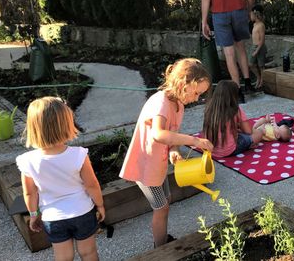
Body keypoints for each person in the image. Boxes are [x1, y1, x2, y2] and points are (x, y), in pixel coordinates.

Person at [119, 58, 214, 247]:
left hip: (157, 164)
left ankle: (162, 241)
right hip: (145, 166)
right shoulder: (161, 102)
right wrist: (194, 140)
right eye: (196, 92)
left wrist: (174, 149)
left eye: (200, 94)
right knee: (161, 207)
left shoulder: (178, 104)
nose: (196, 98)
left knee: (166, 200)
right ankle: (160, 249)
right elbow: (158, 134)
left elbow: (172, 134)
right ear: (182, 84)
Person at [16, 97, 105, 261]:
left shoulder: (26, 161)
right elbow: (92, 185)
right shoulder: (78, 154)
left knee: (63, 257)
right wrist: (100, 205)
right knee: (88, 252)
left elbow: (29, 193)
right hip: (82, 211)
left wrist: (34, 214)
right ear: (66, 124)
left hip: (53, 217)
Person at [201, 0, 256, 103]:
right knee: (240, 47)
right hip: (239, 11)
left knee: (229, 53)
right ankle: (248, 83)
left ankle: (237, 92)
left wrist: (204, 20)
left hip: (219, 14)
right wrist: (249, 10)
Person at [249, 4, 267, 89]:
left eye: (251, 14)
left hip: (260, 47)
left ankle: (262, 81)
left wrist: (257, 50)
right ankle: (258, 77)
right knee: (251, 64)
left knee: (261, 66)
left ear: (256, 14)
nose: (250, 16)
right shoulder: (254, 24)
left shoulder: (261, 25)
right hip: (254, 46)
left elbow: (262, 40)